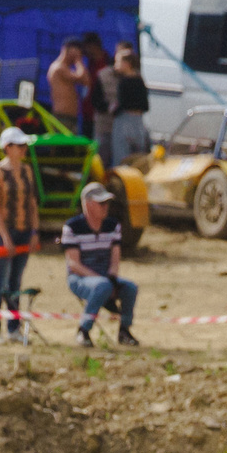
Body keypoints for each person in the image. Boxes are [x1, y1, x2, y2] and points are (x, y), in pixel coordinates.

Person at [59, 180, 137, 348]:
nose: (105, 207)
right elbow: (73, 264)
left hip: (105, 278)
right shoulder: (72, 227)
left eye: (107, 203)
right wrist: (104, 282)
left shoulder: (113, 226)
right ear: (88, 204)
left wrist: (112, 279)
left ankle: (124, 331)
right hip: (80, 278)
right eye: (101, 203)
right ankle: (83, 330)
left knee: (130, 288)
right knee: (102, 286)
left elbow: (115, 260)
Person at [0, 125, 37, 345]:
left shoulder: (27, 171)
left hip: (24, 231)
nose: (24, 149)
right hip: (4, 233)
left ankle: (14, 328)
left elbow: (33, 203)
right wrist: (5, 237)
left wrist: (34, 231)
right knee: (0, 282)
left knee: (15, 282)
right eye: (20, 145)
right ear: (8, 148)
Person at [108, 45, 151, 168]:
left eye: (118, 62)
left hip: (124, 122)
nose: (115, 65)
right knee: (138, 159)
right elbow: (145, 105)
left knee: (121, 157)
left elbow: (122, 104)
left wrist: (113, 109)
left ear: (127, 63)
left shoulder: (123, 82)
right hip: (138, 122)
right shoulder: (140, 80)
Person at [47, 40, 89, 135]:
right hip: (62, 117)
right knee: (63, 148)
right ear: (68, 50)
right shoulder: (58, 67)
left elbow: (86, 81)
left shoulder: (67, 68)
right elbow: (81, 76)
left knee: (72, 148)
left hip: (71, 117)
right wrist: (78, 60)